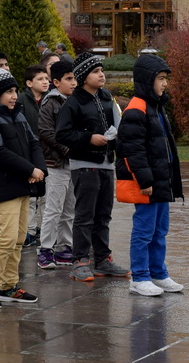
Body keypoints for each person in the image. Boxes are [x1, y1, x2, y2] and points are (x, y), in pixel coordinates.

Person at [0, 67, 47, 308]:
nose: (14, 96)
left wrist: (39, 169)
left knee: (18, 238)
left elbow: (34, 142)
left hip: (23, 184)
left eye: (15, 90)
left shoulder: (17, 114)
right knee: (6, 238)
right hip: (3, 185)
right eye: (8, 92)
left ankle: (9, 285)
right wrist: (29, 169)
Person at [55, 53, 129, 282]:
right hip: (85, 165)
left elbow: (118, 125)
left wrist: (117, 138)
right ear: (84, 77)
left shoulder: (107, 98)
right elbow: (62, 134)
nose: (101, 75)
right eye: (96, 71)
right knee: (85, 215)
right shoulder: (74, 102)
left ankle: (103, 259)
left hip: (106, 163)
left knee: (103, 215)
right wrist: (89, 138)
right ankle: (80, 260)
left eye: (101, 70)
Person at [115, 54, 185, 296]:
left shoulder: (155, 106)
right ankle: (140, 276)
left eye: (166, 79)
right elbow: (132, 150)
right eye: (160, 79)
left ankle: (158, 273)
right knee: (144, 231)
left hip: (159, 181)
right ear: (147, 80)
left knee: (159, 230)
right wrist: (145, 181)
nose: (165, 84)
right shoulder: (137, 108)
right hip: (147, 183)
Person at [36, 59, 76, 269]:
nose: (74, 83)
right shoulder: (50, 102)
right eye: (69, 79)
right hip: (55, 163)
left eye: (75, 78)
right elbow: (45, 131)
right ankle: (45, 249)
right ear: (56, 82)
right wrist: (66, 148)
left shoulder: (76, 101)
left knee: (70, 209)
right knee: (53, 208)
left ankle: (64, 248)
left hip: (73, 163)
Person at [20, 64, 50, 246]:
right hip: (28, 154)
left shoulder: (51, 99)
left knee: (46, 196)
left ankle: (44, 229)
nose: (45, 82)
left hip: (48, 154)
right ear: (29, 83)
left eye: (46, 79)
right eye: (40, 79)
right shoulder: (21, 101)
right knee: (30, 196)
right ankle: (28, 230)